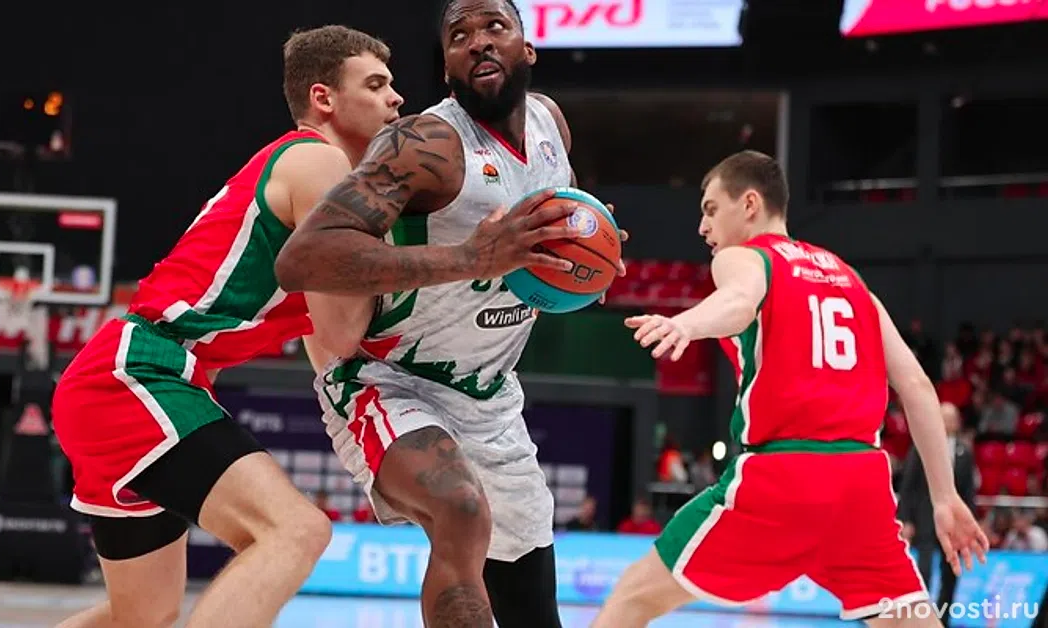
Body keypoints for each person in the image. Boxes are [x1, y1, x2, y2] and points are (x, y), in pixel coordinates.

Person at [275, 2, 624, 625]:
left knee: (533, 610)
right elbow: (305, 258)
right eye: (459, 36)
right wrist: (470, 258)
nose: (478, 42)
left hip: (490, 395)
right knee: (460, 508)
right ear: (447, 69)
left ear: (527, 49)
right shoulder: (425, 144)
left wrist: (584, 264)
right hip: (389, 379)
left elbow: (550, 238)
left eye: (495, 27)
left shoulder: (549, 124)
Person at [51, 25, 403, 628]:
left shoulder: (309, 175)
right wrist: (465, 260)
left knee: (143, 616)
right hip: (143, 374)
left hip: (121, 379)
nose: (396, 97)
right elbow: (345, 330)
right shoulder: (319, 160)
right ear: (323, 98)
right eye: (375, 84)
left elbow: (329, 346)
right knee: (294, 531)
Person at [591, 150, 989, 627]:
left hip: (780, 481)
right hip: (861, 486)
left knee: (634, 597)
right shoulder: (850, 279)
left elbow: (739, 301)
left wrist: (686, 325)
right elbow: (918, 386)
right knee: (910, 621)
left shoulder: (745, 257)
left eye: (711, 209)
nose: (702, 226)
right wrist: (945, 498)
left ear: (750, 204)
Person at [898, 402, 976, 612]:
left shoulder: (964, 452)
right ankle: (921, 615)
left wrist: (971, 520)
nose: (947, 423)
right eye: (943, 418)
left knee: (951, 571)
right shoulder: (921, 447)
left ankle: (943, 617)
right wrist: (906, 519)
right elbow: (908, 486)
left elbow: (969, 491)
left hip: (954, 523)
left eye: (951, 419)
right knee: (923, 569)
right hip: (925, 519)